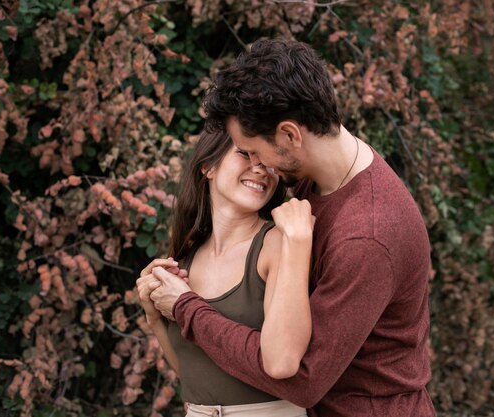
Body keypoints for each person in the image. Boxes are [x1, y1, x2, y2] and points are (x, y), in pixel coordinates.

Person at [150, 38, 435, 417]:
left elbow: (301, 378)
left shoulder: (368, 233)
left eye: (253, 150)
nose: (258, 165)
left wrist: (187, 309)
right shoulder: (316, 179)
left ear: (289, 135)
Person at [137, 129, 314, 416]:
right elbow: (191, 373)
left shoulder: (278, 242)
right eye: (245, 153)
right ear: (208, 166)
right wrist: (154, 316)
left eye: (268, 161)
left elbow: (284, 361)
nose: (260, 169)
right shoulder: (185, 257)